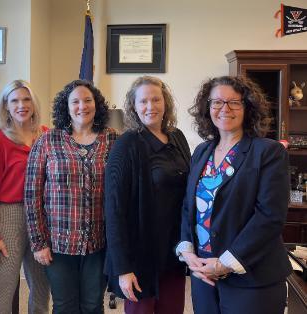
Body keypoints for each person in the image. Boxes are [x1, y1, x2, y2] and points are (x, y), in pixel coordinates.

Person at [176, 76, 292, 314]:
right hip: (205, 276)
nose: (224, 109)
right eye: (217, 102)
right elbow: (190, 206)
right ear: (207, 108)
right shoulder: (201, 152)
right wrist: (188, 251)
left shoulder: (268, 152)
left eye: (234, 102)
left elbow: (269, 217)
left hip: (252, 279)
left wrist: (225, 263)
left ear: (247, 107)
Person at [25, 79, 117, 314]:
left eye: (88, 100)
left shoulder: (112, 139)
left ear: (96, 105)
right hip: (58, 245)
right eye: (75, 101)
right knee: (65, 306)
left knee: (93, 305)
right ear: (65, 107)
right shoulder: (48, 141)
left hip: (99, 243)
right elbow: (32, 194)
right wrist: (39, 243)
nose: (82, 106)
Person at [104, 76, 190, 314]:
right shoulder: (127, 144)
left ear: (166, 103)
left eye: (156, 99)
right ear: (133, 107)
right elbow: (114, 210)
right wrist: (123, 268)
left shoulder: (178, 138)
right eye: (143, 101)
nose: (150, 106)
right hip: (141, 255)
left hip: (175, 251)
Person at [0, 80, 50, 313]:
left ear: (34, 103)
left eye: (26, 99)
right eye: (15, 100)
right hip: (9, 215)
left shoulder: (48, 136)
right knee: (4, 287)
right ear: (6, 106)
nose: (22, 105)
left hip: (42, 216)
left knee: (41, 289)